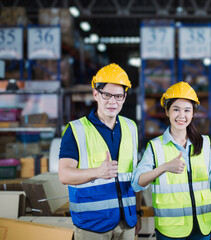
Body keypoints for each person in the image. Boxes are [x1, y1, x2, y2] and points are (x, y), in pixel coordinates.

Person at [58, 63, 141, 240]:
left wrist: (138, 211)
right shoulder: (76, 130)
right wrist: (97, 172)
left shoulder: (131, 127)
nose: (113, 101)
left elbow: (134, 173)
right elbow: (64, 175)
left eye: (118, 96)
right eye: (107, 95)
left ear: (125, 97)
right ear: (96, 94)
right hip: (92, 225)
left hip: (126, 222)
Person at [131, 81, 211, 240]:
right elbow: (136, 182)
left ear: (193, 113)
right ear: (167, 111)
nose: (182, 115)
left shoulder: (205, 144)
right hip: (170, 231)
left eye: (187, 110)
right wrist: (164, 167)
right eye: (176, 109)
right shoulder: (155, 147)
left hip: (202, 229)